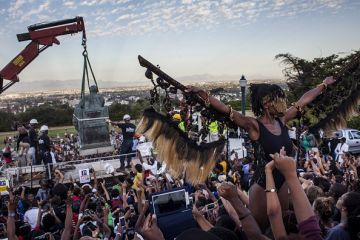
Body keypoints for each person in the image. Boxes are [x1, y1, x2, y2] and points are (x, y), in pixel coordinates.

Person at [187, 76, 336, 231]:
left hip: (283, 182)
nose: (282, 103)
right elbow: (225, 109)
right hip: (261, 185)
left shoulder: (282, 120)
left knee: (281, 226)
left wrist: (323, 84)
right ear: (266, 104)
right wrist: (202, 93)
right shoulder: (253, 125)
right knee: (261, 229)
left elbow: (303, 101)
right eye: (278, 99)